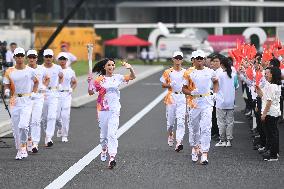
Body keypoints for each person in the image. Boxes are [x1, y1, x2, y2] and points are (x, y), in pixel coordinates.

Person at [88, 58, 136, 169]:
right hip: (103, 110)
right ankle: (104, 149)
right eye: (109, 65)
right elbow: (91, 93)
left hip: (114, 110)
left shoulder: (118, 77)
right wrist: (89, 83)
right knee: (104, 136)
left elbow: (132, 77)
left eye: (113, 65)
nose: (111, 67)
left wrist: (131, 69)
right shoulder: (99, 79)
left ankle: (112, 157)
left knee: (112, 134)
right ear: (104, 67)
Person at [182, 50, 218, 165]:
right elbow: (183, 88)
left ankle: (204, 153)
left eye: (201, 58)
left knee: (206, 127)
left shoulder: (210, 71)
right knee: (194, 127)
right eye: (197, 58)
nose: (199, 60)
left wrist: (215, 94)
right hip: (194, 102)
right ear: (193, 60)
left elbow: (216, 82)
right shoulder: (188, 73)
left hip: (207, 102)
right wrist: (191, 93)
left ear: (204, 59)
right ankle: (194, 147)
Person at [3, 47, 39, 160]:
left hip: (27, 100)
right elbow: (6, 84)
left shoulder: (30, 71)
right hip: (14, 100)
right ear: (14, 57)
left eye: (21, 56)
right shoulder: (9, 71)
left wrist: (33, 92)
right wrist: (6, 90)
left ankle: (23, 146)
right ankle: (19, 149)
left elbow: (36, 82)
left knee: (23, 125)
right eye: (17, 56)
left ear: (24, 57)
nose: (19, 58)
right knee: (15, 126)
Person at [160, 51, 186, 152]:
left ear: (182, 60)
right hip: (171, 97)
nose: (178, 60)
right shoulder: (168, 72)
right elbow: (163, 84)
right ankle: (170, 134)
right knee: (170, 122)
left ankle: (179, 142)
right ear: (173, 59)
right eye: (176, 58)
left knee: (180, 121)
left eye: (180, 58)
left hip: (182, 97)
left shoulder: (186, 72)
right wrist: (170, 84)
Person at [255, 66, 281, 161]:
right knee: (273, 133)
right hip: (274, 112)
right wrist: (258, 90)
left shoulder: (272, 86)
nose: (265, 75)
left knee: (271, 134)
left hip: (270, 113)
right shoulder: (274, 85)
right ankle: (274, 152)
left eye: (267, 73)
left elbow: (269, 102)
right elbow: (264, 97)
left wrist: (264, 114)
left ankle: (273, 155)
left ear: (272, 74)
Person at [26, 49, 49, 153]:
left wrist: (44, 86)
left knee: (35, 120)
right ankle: (28, 139)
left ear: (36, 58)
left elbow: (47, 78)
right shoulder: (24, 69)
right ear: (27, 58)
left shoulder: (41, 69)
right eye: (30, 57)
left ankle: (35, 143)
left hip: (38, 97)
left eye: (33, 57)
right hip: (26, 97)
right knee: (26, 121)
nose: (32, 59)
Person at [215, 57, 238, 147]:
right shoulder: (234, 75)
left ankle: (222, 140)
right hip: (231, 101)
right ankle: (229, 140)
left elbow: (214, 87)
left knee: (221, 122)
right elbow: (236, 86)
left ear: (222, 65)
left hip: (221, 102)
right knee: (230, 122)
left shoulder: (219, 76)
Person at [42, 49, 63, 147]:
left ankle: (49, 136)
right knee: (45, 118)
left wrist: (60, 84)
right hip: (44, 93)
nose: (48, 58)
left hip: (54, 93)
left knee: (53, 116)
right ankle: (47, 134)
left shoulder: (57, 68)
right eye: (46, 56)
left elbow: (61, 76)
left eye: (50, 56)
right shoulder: (40, 68)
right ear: (44, 57)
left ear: (53, 57)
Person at [56, 52, 77, 142]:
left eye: (64, 59)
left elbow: (74, 82)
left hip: (66, 94)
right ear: (58, 60)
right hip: (56, 94)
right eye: (60, 59)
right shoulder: (55, 70)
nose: (62, 61)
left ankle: (65, 135)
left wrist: (71, 89)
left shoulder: (70, 71)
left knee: (65, 115)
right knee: (56, 117)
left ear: (66, 60)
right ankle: (60, 128)